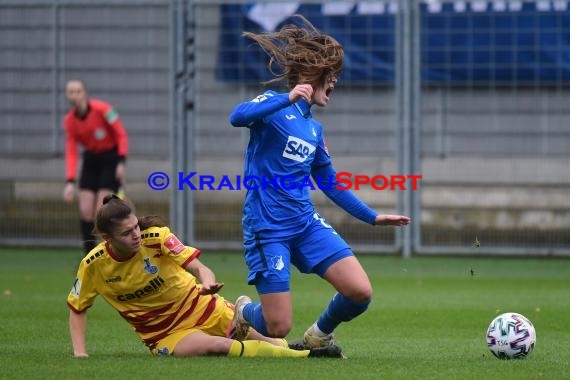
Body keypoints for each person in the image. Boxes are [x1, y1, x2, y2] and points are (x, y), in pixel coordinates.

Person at [229, 15, 411, 353]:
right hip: (267, 227)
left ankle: (319, 335)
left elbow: (329, 181)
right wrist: (287, 98)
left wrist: (372, 217)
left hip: (305, 223)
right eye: (332, 76)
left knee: (360, 291)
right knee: (277, 326)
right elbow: (236, 116)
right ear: (312, 76)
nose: (335, 83)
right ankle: (242, 312)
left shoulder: (314, 130)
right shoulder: (272, 106)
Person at [66, 194, 343, 358]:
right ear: (107, 238)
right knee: (221, 346)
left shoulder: (158, 238)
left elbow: (198, 267)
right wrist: (80, 354)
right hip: (166, 334)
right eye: (127, 233)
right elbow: (78, 308)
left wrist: (207, 281)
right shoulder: (93, 264)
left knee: (273, 343)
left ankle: (287, 346)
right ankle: (309, 356)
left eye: (136, 227)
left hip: (204, 307)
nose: (136, 234)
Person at [62, 79, 129, 256]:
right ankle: (89, 256)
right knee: (85, 210)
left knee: (102, 209)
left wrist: (121, 162)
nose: (74, 95)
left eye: (78, 91)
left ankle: (111, 253)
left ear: (84, 93)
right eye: (71, 92)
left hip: (110, 158)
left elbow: (121, 134)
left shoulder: (103, 109)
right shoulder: (69, 120)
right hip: (91, 159)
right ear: (67, 95)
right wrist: (70, 181)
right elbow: (71, 150)